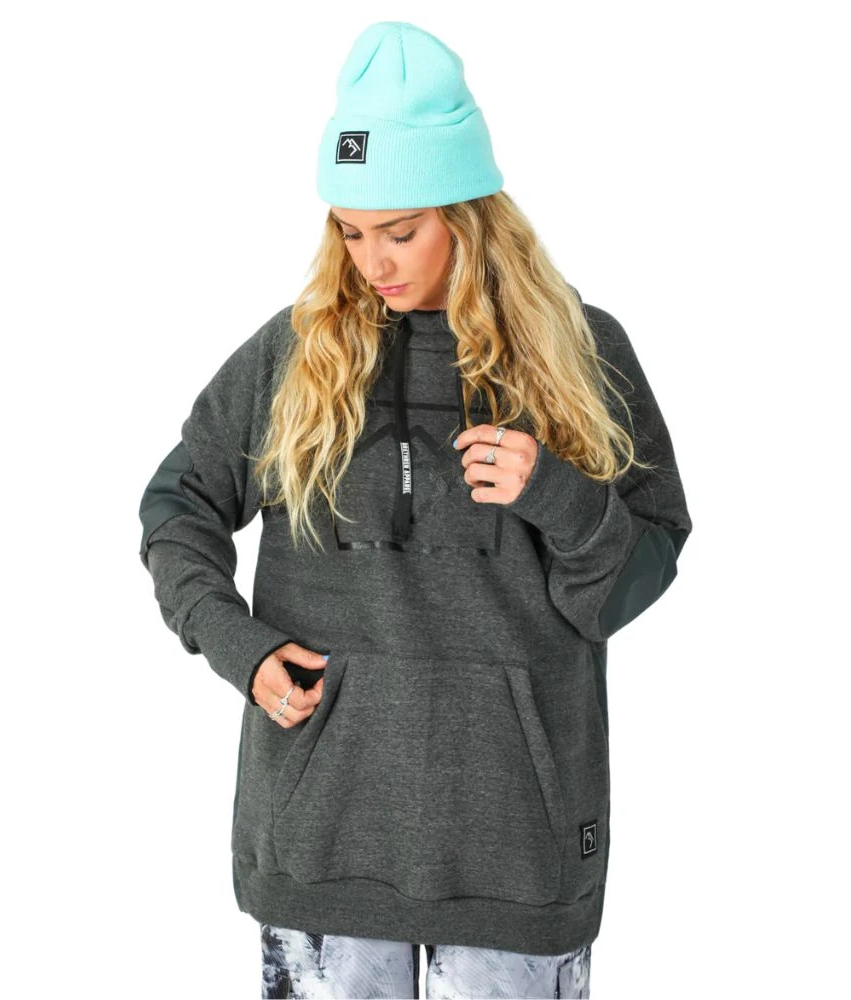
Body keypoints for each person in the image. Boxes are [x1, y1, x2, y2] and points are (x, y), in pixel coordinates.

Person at [137, 19, 692, 1000]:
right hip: (322, 840)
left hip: (514, 851)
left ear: (469, 215)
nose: (373, 261)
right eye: (351, 232)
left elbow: (636, 571)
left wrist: (556, 494)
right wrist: (238, 646)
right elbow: (177, 505)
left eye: (400, 230)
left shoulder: (581, 353)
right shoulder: (296, 356)